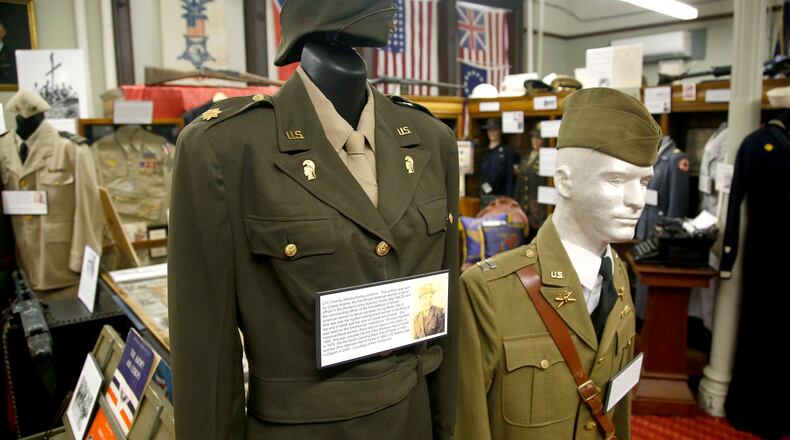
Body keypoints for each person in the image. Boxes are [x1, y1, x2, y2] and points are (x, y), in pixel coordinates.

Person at [168, 1, 460, 439]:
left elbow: (444, 319)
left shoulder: (430, 141)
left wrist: (446, 427)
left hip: (411, 420)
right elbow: (205, 357)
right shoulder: (226, 150)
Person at [457, 88, 660, 440]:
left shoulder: (618, 276)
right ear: (563, 181)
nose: (636, 201)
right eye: (615, 180)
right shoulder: (488, 292)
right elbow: (468, 425)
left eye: (644, 182)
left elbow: (618, 405)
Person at [514, 125, 548, 238]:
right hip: (523, 208)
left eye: (539, 138)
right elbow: (519, 185)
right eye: (533, 137)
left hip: (537, 211)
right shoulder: (525, 159)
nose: (535, 141)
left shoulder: (547, 159)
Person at [480, 118, 518, 201]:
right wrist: (485, 191)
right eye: (490, 130)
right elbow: (482, 178)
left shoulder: (507, 152)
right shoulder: (485, 153)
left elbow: (510, 178)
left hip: (501, 198)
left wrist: (508, 199)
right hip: (486, 196)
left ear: (500, 131)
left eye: (495, 129)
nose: (492, 133)